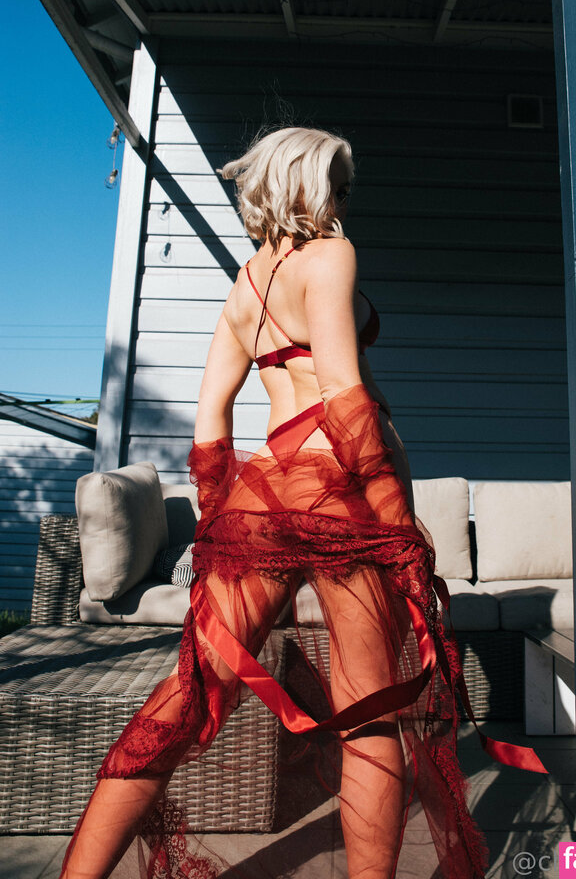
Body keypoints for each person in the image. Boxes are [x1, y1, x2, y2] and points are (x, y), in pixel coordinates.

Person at [59, 126, 545, 879]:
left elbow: (211, 419)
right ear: (306, 188)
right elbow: (345, 395)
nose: (344, 204)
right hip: (343, 492)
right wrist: (394, 523)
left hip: (264, 497)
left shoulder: (244, 287)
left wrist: (220, 519)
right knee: (369, 709)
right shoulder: (331, 257)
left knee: (189, 693)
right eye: (337, 188)